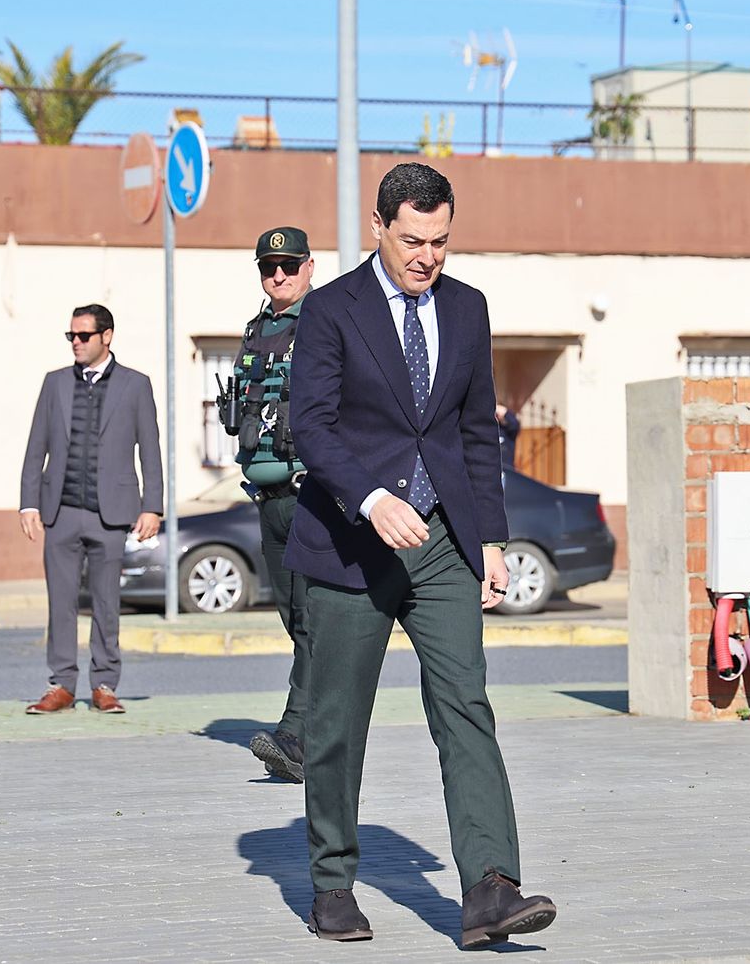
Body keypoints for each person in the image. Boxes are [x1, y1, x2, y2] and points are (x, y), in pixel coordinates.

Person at [284, 164, 557, 947]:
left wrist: (490, 539)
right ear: (378, 226)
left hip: (442, 542)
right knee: (338, 720)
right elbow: (315, 426)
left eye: (440, 241)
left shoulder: (467, 309)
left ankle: (489, 888)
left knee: (465, 705)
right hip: (351, 542)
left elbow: (475, 433)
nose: (426, 256)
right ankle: (333, 881)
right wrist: (372, 498)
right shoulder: (332, 309)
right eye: (412, 240)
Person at [19, 303, 162, 715]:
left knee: (105, 603)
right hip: (60, 510)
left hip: (112, 513)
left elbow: (149, 450)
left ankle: (104, 683)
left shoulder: (136, 385)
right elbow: (36, 447)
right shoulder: (55, 383)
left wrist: (152, 506)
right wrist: (28, 502)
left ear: (107, 336)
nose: (76, 343)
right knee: (60, 602)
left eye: (83, 336)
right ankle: (61, 684)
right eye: (71, 336)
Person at [224, 226, 316, 784]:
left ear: (309, 266)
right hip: (267, 499)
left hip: (312, 500)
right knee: (296, 623)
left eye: (288, 265)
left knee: (313, 624)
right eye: (268, 267)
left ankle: (296, 735)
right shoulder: (257, 329)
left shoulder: (326, 322)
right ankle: (308, 736)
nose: (277, 275)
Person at [495, 402, 520, 471]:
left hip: (507, 470)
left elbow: (514, 424)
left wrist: (505, 412)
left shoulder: (508, 431)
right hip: (492, 470)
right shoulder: (489, 429)